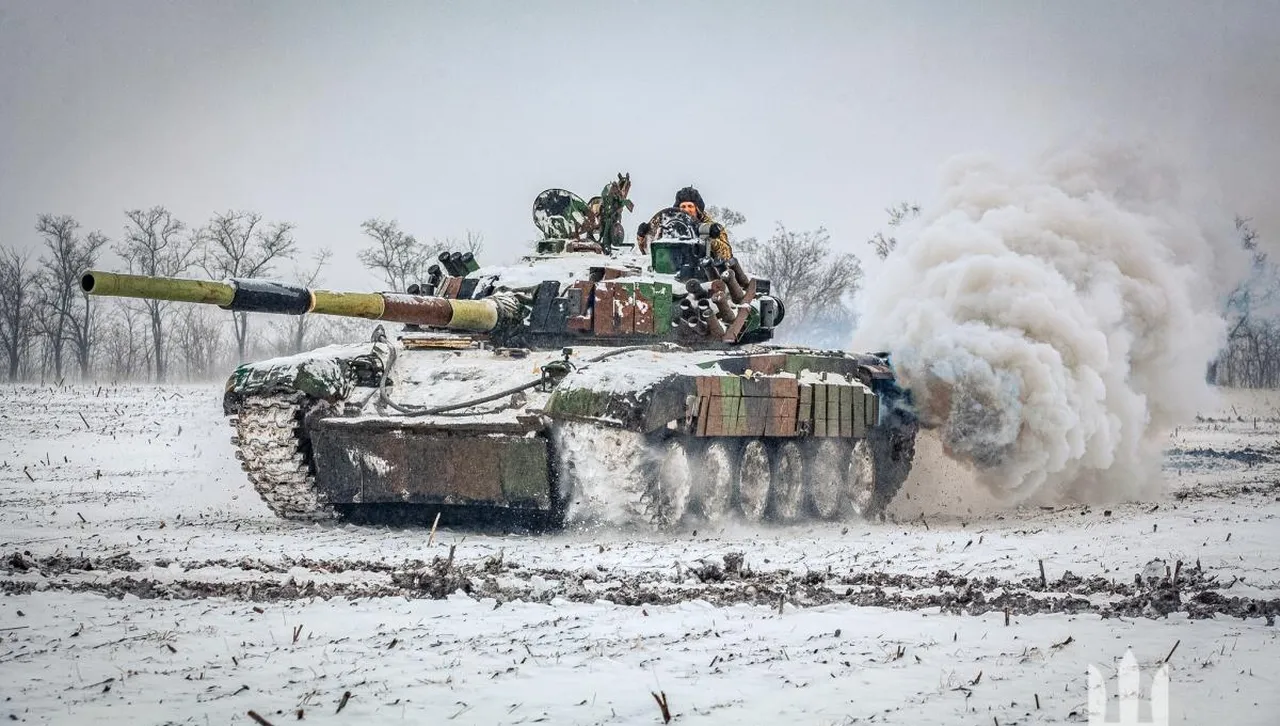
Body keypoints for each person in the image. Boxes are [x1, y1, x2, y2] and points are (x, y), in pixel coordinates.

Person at [636, 186, 733, 259]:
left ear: (697, 208)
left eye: (690, 206)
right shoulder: (669, 227)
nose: (687, 210)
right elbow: (649, 252)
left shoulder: (712, 227)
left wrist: (710, 240)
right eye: (683, 207)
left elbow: (727, 254)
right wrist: (642, 237)